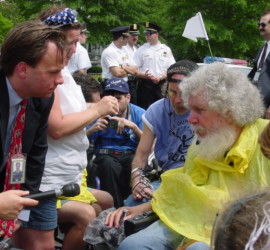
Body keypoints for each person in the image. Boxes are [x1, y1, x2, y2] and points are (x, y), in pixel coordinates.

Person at [105, 62, 270, 250]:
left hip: (244, 231)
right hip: (192, 217)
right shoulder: (203, 143)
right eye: (191, 109)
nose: (191, 119)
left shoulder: (265, 139)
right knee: (132, 245)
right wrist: (141, 208)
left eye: (200, 110)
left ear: (229, 111)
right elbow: (185, 187)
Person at [12, 7, 117, 250]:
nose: (75, 50)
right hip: (48, 178)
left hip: (65, 173)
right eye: (70, 42)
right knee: (84, 217)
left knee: (105, 201)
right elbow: (56, 127)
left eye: (77, 42)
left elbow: (68, 111)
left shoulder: (62, 75)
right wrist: (97, 110)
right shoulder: (45, 79)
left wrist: (97, 106)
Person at [0, 20, 66, 239]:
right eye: (53, 72)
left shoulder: (41, 100)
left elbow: (35, 159)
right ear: (23, 70)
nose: (61, 80)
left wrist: (21, 212)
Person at [125, 60, 197, 206]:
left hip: (196, 179)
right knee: (131, 203)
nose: (177, 100)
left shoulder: (205, 110)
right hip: (167, 177)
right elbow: (142, 155)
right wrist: (136, 180)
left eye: (184, 94)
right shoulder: (156, 110)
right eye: (172, 92)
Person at [87, 77, 145, 208]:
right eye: (110, 98)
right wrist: (92, 130)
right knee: (108, 165)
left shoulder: (139, 114)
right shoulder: (98, 113)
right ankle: (116, 209)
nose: (115, 103)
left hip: (130, 152)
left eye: (118, 98)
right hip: (105, 153)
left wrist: (133, 127)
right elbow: (81, 140)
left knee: (133, 164)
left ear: (128, 97)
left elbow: (149, 144)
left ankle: (134, 206)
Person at [134, 22, 175, 110]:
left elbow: (171, 68)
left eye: (149, 34)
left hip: (162, 84)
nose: (147, 36)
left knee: (163, 109)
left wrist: (160, 77)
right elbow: (134, 69)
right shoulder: (141, 50)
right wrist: (144, 76)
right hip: (146, 85)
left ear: (156, 34)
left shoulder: (166, 49)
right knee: (146, 109)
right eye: (146, 34)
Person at [248, 9, 270, 119]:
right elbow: (254, 73)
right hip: (256, 105)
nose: (260, 27)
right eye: (259, 24)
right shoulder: (262, 48)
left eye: (263, 24)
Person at [123, 24, 140, 104]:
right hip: (127, 81)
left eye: (136, 35)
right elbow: (125, 67)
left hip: (136, 81)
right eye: (133, 35)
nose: (135, 37)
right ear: (127, 36)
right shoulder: (123, 49)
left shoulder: (136, 49)